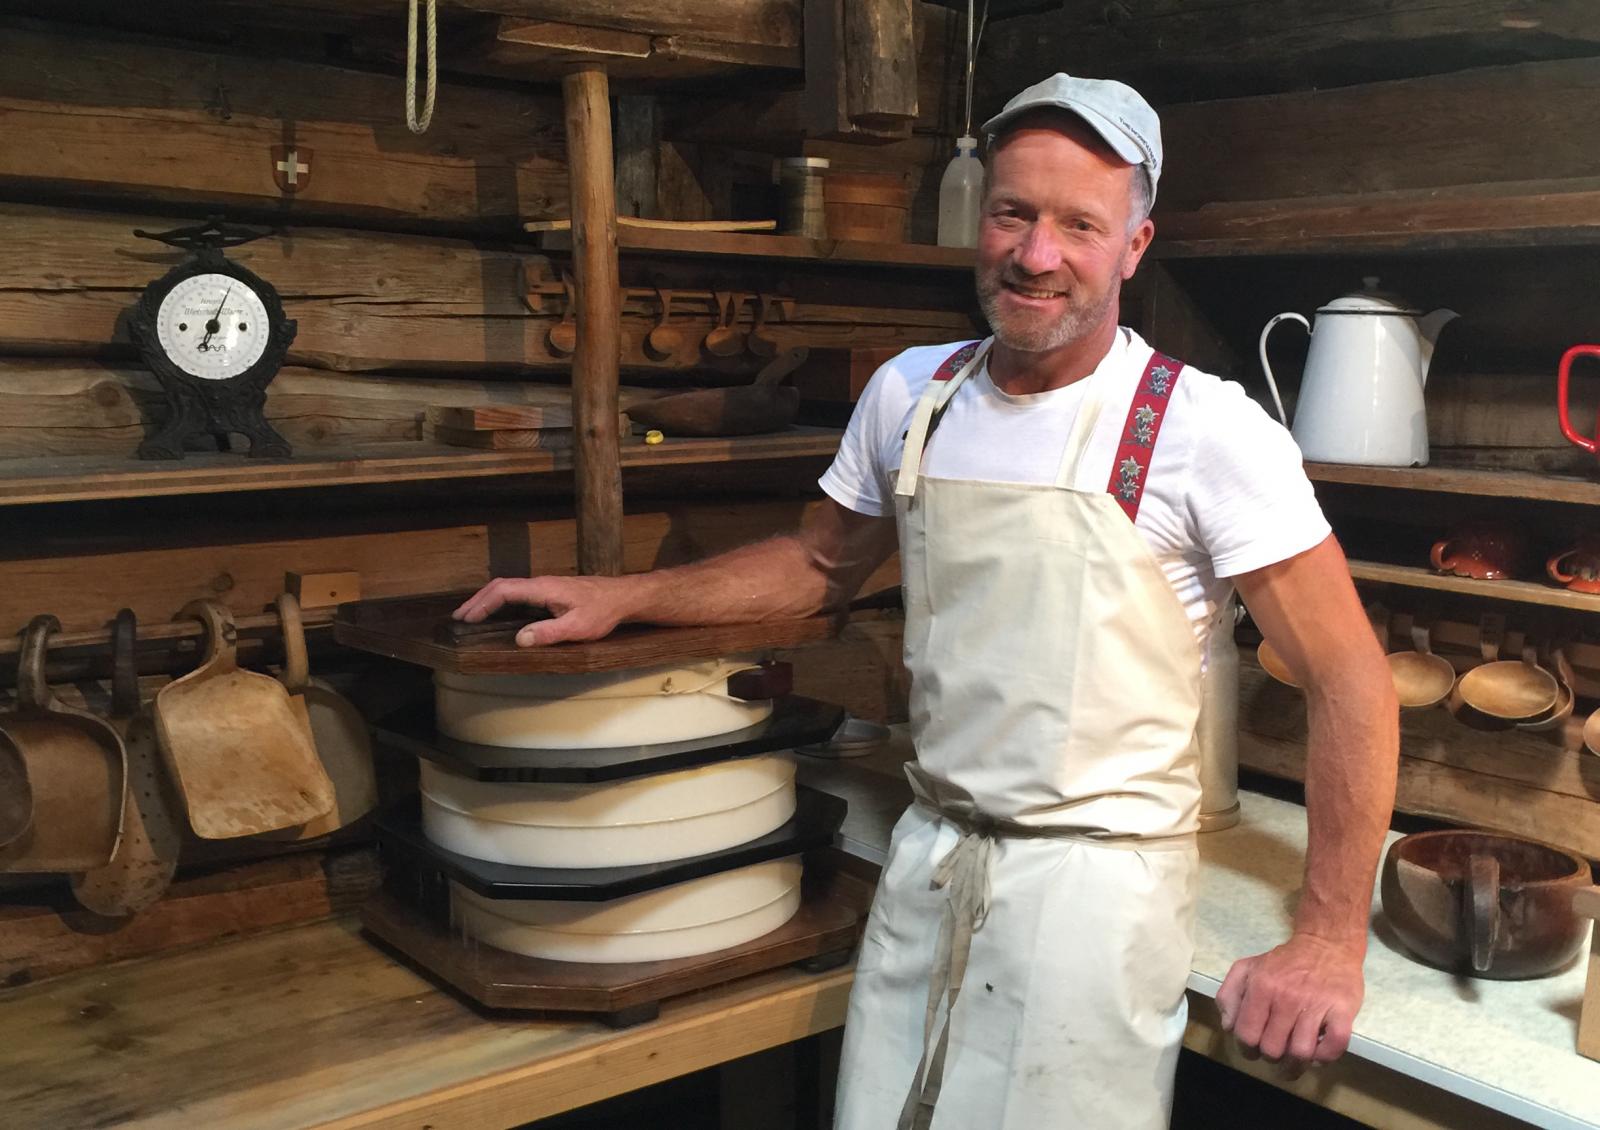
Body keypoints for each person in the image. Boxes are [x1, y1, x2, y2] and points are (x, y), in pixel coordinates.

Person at [454, 73, 1399, 1130]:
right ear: (981, 215)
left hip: (1092, 900)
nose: (1036, 254)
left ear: (1133, 244)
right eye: (1014, 213)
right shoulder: (914, 392)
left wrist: (1326, 936)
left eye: (1079, 224)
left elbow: (1349, 676)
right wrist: (626, 595)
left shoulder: (1200, 430)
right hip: (928, 859)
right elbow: (819, 564)